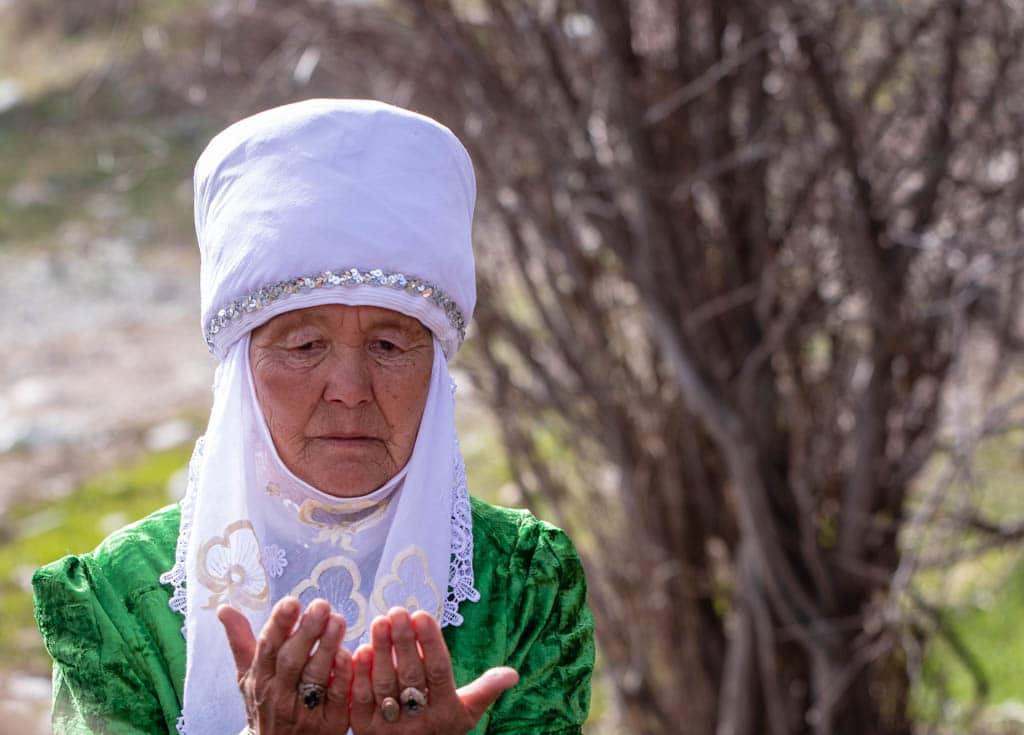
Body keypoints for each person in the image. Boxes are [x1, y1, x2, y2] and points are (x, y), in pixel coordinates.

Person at [32, 99, 594, 735]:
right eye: (304, 346)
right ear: (242, 371)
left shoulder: (524, 585)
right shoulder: (122, 602)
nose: (350, 390)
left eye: (389, 345)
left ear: (436, 371)